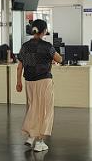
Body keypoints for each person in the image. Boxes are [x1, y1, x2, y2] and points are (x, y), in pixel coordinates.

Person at [16, 19, 61, 153]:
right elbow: (59, 59)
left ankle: (31, 136)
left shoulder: (25, 46)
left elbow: (19, 66)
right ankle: (40, 141)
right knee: (45, 111)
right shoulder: (47, 46)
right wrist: (52, 58)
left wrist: (18, 82)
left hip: (29, 81)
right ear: (44, 31)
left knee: (33, 108)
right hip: (44, 81)